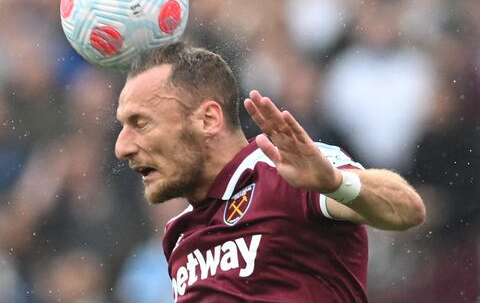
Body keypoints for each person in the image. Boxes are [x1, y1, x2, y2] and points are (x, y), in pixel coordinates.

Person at [114, 42, 426, 302]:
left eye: (140, 123)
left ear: (208, 120)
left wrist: (334, 182)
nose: (122, 147)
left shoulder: (287, 172)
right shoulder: (178, 237)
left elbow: (406, 209)